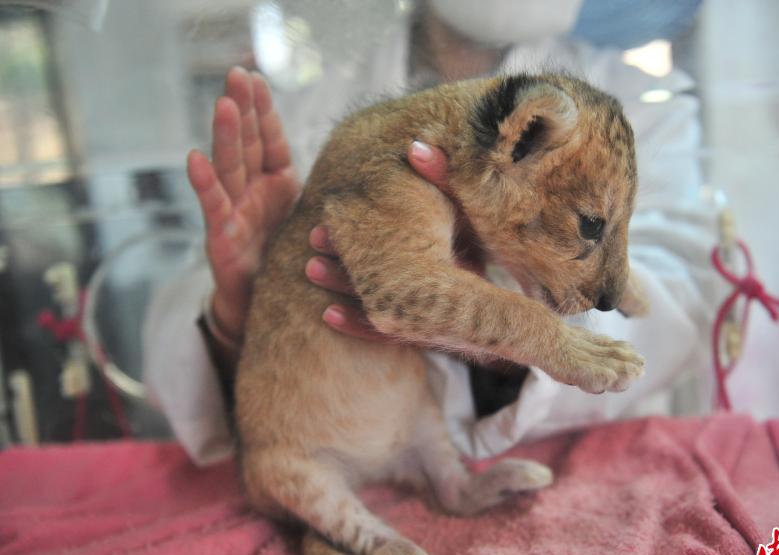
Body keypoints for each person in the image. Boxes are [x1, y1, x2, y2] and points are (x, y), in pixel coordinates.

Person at [144, 0, 720, 465]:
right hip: (360, 463)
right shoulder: (308, 110)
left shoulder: (637, 103)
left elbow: (683, 304)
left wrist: (501, 330)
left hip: (578, 467)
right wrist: (251, 293)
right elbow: (176, 375)